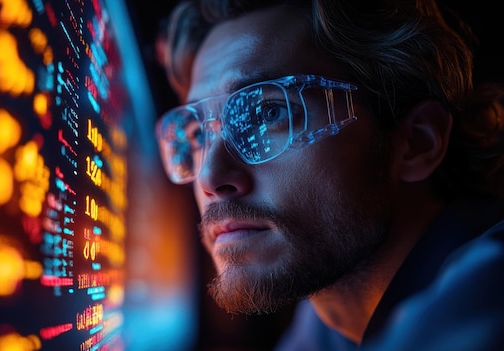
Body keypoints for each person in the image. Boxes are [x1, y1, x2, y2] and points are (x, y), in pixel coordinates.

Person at [152, 0, 504, 350]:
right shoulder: (329, 323)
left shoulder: (486, 297)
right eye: (198, 134)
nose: (210, 178)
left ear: (416, 143)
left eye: (267, 113)